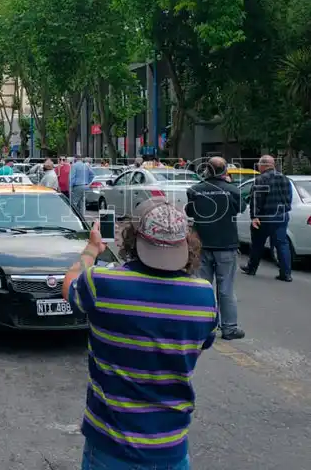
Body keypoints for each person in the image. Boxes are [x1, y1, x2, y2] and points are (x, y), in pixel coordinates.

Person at [63, 198, 217, 470]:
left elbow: (69, 287)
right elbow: (202, 342)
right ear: (186, 244)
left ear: (133, 239)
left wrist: (92, 248)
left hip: (110, 448)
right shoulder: (203, 296)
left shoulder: (101, 283)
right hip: (171, 450)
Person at [185, 156, 245, 340]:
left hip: (202, 243)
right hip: (226, 244)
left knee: (202, 287)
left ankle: (202, 327)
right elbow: (240, 208)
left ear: (207, 170)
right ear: (225, 171)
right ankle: (229, 328)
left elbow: (190, 212)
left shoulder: (195, 190)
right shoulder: (233, 191)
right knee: (226, 288)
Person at [241, 154, 293, 282]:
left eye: (259, 164)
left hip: (265, 216)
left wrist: (254, 216)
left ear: (263, 165)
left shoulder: (260, 179)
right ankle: (286, 273)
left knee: (257, 243)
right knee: (282, 244)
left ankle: (252, 268)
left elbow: (256, 199)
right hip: (281, 216)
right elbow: (289, 198)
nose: (258, 167)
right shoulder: (285, 179)